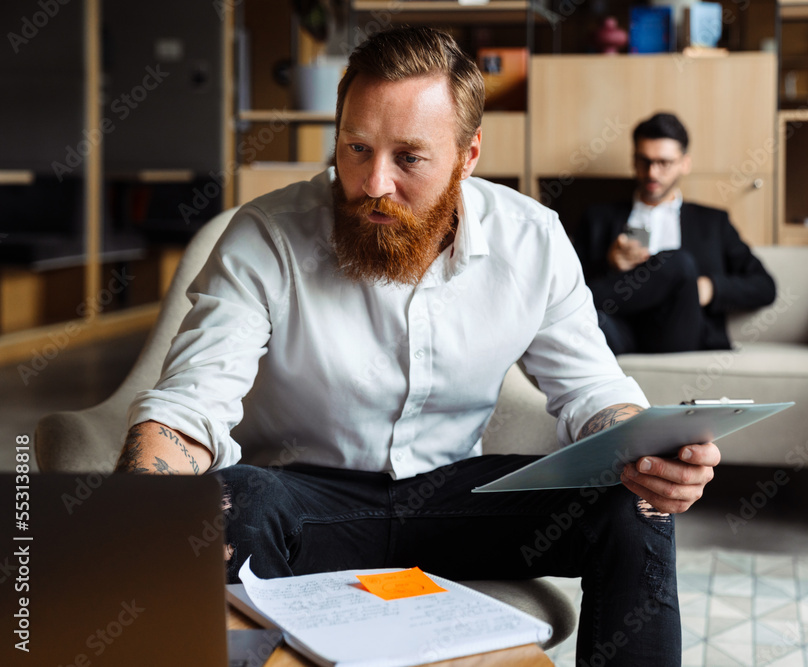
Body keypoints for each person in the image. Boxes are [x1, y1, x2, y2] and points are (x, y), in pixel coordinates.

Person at [114, 27, 720, 666]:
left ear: (468, 154)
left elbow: (594, 391)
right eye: (356, 148)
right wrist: (132, 519)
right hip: (304, 504)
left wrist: (649, 454)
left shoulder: (533, 241)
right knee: (227, 503)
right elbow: (190, 404)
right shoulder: (264, 238)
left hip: (458, 502)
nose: (374, 183)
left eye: (409, 157)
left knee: (635, 503)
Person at [573, 112, 776, 354]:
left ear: (684, 163)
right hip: (620, 328)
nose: (652, 173)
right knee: (587, 322)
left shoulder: (712, 222)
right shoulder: (598, 218)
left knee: (678, 264)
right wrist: (608, 264)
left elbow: (765, 286)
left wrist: (710, 288)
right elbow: (569, 284)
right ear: (633, 160)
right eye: (644, 161)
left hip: (678, 329)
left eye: (664, 163)